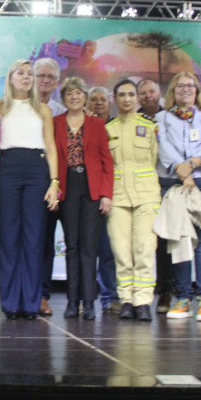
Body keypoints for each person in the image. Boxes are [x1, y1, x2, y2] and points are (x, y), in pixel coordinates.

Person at [0, 60, 59, 320]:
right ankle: (10, 302)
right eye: (20, 73)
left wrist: (54, 183)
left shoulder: (43, 109)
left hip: (37, 170)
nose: (26, 77)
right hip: (7, 167)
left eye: (29, 74)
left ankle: (31, 303)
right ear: (10, 78)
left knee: (34, 238)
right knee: (8, 237)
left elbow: (51, 147)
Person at [156, 72, 201, 322]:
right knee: (180, 240)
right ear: (173, 90)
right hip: (175, 185)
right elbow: (163, 148)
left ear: (197, 91)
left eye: (190, 86)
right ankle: (183, 298)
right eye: (180, 86)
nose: (185, 89)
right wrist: (183, 173)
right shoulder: (161, 118)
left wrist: (193, 164)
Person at [52, 77, 113, 320]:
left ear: (84, 96)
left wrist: (106, 193)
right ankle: (71, 301)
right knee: (72, 246)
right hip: (67, 186)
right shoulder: (55, 122)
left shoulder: (97, 124)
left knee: (89, 246)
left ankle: (88, 303)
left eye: (78, 93)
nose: (74, 97)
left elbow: (106, 160)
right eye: (69, 94)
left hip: (92, 188)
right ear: (64, 98)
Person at [105, 79, 160, 321]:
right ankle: (126, 299)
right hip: (117, 196)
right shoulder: (108, 128)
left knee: (145, 249)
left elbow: (155, 157)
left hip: (146, 195)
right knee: (121, 250)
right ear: (114, 99)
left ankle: (143, 301)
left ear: (137, 98)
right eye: (122, 95)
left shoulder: (149, 126)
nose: (127, 99)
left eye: (131, 94)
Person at [34, 58, 66, 316]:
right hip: (24, 180)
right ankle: (24, 290)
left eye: (50, 77)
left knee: (45, 241)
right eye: (40, 76)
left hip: (52, 182)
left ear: (57, 82)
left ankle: (43, 294)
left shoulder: (61, 112)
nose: (45, 81)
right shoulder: (21, 106)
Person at [138, 77, 172, 313]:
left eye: (151, 91)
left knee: (164, 241)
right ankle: (140, 292)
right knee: (141, 240)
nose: (147, 96)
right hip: (139, 187)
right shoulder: (133, 118)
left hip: (166, 184)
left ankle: (166, 291)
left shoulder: (170, 117)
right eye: (143, 93)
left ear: (160, 93)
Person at [88, 86, 119, 312]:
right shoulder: (81, 126)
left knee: (108, 251)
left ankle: (110, 297)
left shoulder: (118, 126)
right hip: (87, 196)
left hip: (114, 195)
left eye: (102, 99)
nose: (98, 103)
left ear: (110, 103)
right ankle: (84, 298)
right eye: (93, 99)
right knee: (86, 251)